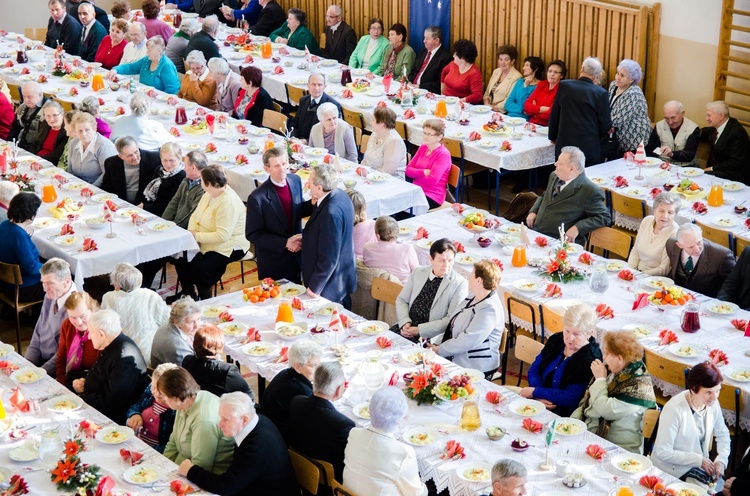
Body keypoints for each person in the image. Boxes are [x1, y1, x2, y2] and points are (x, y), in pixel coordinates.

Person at [179, 391, 298, 495]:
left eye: (226, 419)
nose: (220, 424)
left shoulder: (255, 448)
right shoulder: (257, 421)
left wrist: (191, 471)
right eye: (220, 418)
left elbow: (225, 486)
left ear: (244, 420)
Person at [573, 331, 656, 453]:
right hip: (591, 435)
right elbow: (587, 401)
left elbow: (606, 410)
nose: (604, 357)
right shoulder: (615, 370)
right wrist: (572, 422)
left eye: (607, 353)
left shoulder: (638, 384)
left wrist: (600, 379)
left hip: (619, 449)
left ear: (619, 358)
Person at [176, 165, 250, 300]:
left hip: (230, 245)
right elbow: (195, 215)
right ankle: (189, 295)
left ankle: (205, 301)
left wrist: (196, 236)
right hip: (205, 239)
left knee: (200, 269)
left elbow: (222, 236)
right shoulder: (210, 194)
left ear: (209, 184)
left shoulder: (228, 203)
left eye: (202, 180)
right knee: (180, 258)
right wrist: (193, 234)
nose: (200, 182)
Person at [652, 362, 731, 485]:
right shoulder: (674, 409)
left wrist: (721, 460)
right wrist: (698, 460)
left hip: (696, 466)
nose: (714, 397)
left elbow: (723, 435)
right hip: (670, 469)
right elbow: (663, 452)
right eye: (708, 392)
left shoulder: (713, 403)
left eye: (717, 391)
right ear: (693, 389)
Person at [343, 386, 428, 496]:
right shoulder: (403, 453)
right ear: (401, 417)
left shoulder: (353, 433)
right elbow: (417, 494)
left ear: (370, 410)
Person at [521, 303, 602, 416]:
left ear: (590, 333)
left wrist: (535, 391)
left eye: (576, 334)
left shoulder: (589, 359)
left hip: (564, 414)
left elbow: (571, 397)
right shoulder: (556, 340)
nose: (569, 338)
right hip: (537, 400)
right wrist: (538, 396)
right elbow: (535, 369)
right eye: (567, 331)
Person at [428, 260, 503, 378]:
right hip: (458, 354)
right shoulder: (474, 295)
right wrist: (437, 343)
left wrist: (439, 349)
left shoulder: (489, 308)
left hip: (475, 365)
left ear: (479, 281)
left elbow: (469, 339)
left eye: (472, 275)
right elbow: (454, 324)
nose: (469, 278)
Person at [74, 309, 150, 424]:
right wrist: (85, 381)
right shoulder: (112, 343)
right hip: (95, 402)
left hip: (113, 418)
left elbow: (112, 403)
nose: (88, 337)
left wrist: (82, 396)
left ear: (101, 334)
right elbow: (102, 374)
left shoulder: (123, 357)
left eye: (90, 332)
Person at [526, 146, 611, 245]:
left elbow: (604, 217)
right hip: (536, 233)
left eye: (560, 163)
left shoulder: (590, 190)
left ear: (571, 169)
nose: (555, 164)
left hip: (559, 241)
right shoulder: (554, 176)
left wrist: (577, 228)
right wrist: (533, 211)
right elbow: (545, 195)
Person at [159, 367, 235, 474]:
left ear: (176, 398)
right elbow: (173, 443)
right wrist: (162, 467)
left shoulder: (203, 420)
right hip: (183, 466)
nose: (162, 400)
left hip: (205, 476)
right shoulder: (185, 401)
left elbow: (201, 465)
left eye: (164, 396)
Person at [245, 147, 304, 283]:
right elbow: (253, 234)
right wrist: (285, 243)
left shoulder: (295, 180)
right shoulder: (257, 198)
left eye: (284, 164)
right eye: (277, 166)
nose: (282, 169)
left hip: (297, 256)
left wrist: (316, 203)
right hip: (275, 261)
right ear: (267, 169)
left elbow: (298, 209)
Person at [301, 163, 357, 306]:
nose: (307, 184)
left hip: (330, 285)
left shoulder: (329, 213)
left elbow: (329, 257)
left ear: (319, 188)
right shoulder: (341, 195)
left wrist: (314, 288)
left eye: (310, 181)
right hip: (343, 276)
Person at [289, 361, 354, 481]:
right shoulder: (343, 424)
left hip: (297, 469)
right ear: (339, 390)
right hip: (326, 481)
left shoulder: (296, 402)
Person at [396, 239, 468, 342]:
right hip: (406, 328)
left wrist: (419, 330)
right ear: (431, 259)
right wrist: (404, 322)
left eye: (450, 260)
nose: (446, 265)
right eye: (441, 260)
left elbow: (451, 319)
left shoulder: (460, 283)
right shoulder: (418, 272)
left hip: (430, 336)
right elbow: (402, 300)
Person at [548, 56, 612, 166]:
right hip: (589, 148)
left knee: (563, 179)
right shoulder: (601, 93)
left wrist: (552, 136)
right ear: (598, 75)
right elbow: (605, 126)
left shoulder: (564, 85)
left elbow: (555, 114)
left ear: (581, 69)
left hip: (564, 145)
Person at [101, 263, 169, 360]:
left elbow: (105, 327)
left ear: (117, 285)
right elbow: (166, 321)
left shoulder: (108, 297)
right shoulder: (150, 295)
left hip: (121, 355)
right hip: (149, 353)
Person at [259, 339, 321, 443]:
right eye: (314, 365)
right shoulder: (301, 391)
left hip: (267, 426)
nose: (318, 369)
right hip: (280, 438)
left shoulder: (285, 373)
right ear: (297, 366)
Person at [23, 259, 76, 373]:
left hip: (57, 368)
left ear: (66, 281)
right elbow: (37, 337)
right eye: (43, 282)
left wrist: (39, 372)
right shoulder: (50, 295)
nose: (44, 288)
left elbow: (64, 354)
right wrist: (27, 364)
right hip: (41, 361)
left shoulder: (76, 308)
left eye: (50, 283)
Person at [182, 324, 254, 399]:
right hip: (223, 408)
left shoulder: (187, 361)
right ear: (220, 346)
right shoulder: (227, 371)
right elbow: (248, 396)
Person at [666, 223, 735, 298]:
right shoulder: (670, 245)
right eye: (691, 247)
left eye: (699, 243)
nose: (697, 249)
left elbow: (733, 283)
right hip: (675, 297)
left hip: (705, 300)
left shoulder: (722, 255)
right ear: (680, 245)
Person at [0, 193, 44, 303]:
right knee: (68, 278)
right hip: (24, 289)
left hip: (5, 283)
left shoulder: (4, 224)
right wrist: (52, 266)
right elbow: (32, 268)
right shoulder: (19, 236)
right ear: (31, 215)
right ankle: (41, 317)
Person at [126, 362, 178, 453]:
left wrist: (148, 449)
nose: (156, 393)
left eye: (161, 390)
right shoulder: (150, 392)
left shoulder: (175, 411)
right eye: (154, 387)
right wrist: (134, 414)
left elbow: (172, 447)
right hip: (132, 442)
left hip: (153, 453)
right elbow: (135, 407)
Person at [626, 192, 680, 276]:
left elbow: (663, 269)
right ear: (654, 211)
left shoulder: (674, 233)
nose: (665, 216)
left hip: (654, 279)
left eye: (670, 213)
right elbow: (635, 250)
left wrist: (638, 275)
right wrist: (629, 270)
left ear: (675, 215)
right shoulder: (646, 221)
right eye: (661, 211)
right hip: (636, 272)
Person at [55, 291, 100, 388]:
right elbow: (61, 360)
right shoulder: (67, 325)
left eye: (82, 316)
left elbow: (103, 372)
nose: (78, 322)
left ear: (92, 310)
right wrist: (63, 386)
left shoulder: (100, 330)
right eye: (73, 317)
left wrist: (85, 385)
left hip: (93, 385)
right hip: (69, 380)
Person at [700, 101, 750, 185]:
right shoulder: (715, 127)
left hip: (734, 173)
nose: (706, 119)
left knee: (702, 177)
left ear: (721, 116)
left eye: (709, 115)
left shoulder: (737, 132)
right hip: (720, 169)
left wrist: (712, 168)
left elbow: (735, 162)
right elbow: (702, 133)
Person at [108, 36, 180, 94]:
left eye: (149, 50)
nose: (147, 52)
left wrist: (158, 97)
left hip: (161, 103)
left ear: (159, 51)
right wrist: (116, 70)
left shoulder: (166, 65)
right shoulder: (147, 60)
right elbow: (131, 67)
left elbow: (172, 90)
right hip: (144, 98)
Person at [405, 118, 451, 209]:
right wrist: (424, 172)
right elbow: (407, 170)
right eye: (424, 133)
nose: (425, 137)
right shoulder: (423, 147)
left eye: (429, 134)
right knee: (393, 203)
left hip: (433, 195)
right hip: (416, 190)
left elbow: (432, 181)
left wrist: (416, 174)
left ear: (439, 137)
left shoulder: (443, 154)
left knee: (402, 210)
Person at [101, 136, 161, 204]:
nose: (135, 157)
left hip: (144, 205)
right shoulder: (111, 163)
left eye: (136, 152)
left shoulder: (154, 158)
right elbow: (106, 187)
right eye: (130, 155)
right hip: (119, 203)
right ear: (121, 156)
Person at [608, 59, 651, 154]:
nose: (617, 77)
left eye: (622, 75)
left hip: (634, 139)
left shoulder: (633, 93)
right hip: (619, 138)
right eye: (617, 73)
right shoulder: (613, 86)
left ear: (631, 79)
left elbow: (618, 120)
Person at [362, 216, 419, 284]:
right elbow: (417, 274)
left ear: (377, 236)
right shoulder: (407, 249)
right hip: (402, 290)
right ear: (397, 233)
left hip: (376, 289)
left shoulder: (367, 247)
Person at [288, 73, 342, 144]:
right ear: (308, 85)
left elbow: (330, 134)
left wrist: (306, 141)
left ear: (325, 86)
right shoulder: (303, 100)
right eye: (313, 84)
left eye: (320, 85)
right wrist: (293, 137)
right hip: (298, 141)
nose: (316, 88)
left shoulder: (332, 105)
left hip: (316, 145)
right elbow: (295, 122)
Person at [67, 112, 117, 186]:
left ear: (94, 129)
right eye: (80, 131)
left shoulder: (103, 146)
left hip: (99, 189)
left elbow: (107, 173)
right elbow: (70, 170)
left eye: (87, 130)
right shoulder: (73, 143)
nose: (83, 134)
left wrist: (90, 188)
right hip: (77, 186)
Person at [151, 297, 201, 368]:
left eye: (198, 319)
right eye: (191, 322)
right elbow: (192, 371)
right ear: (178, 322)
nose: (197, 326)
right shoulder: (178, 347)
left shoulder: (171, 325)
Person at [645, 100, 700, 165]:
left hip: (685, 167)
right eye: (666, 118)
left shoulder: (693, 129)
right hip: (662, 165)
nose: (670, 122)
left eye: (673, 117)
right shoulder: (659, 126)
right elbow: (651, 150)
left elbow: (689, 155)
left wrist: (672, 154)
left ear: (682, 114)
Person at [139, 142, 186, 216]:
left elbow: (170, 205)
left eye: (172, 160)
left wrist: (144, 207)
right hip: (148, 211)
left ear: (179, 158)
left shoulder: (182, 177)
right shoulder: (159, 169)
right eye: (165, 160)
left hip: (164, 215)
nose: (168, 164)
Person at [361, 107, 407, 178]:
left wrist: (368, 174)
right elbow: (366, 159)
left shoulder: (394, 141)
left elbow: (388, 171)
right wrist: (361, 169)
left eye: (373, 120)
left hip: (389, 180)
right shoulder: (375, 133)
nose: (371, 123)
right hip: (370, 175)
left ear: (382, 123)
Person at [409, 26, 452, 95]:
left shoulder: (445, 58)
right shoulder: (423, 52)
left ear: (437, 40)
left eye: (427, 39)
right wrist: (409, 81)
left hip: (427, 93)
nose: (424, 41)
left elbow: (439, 83)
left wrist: (420, 86)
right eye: (424, 38)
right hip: (412, 89)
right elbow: (414, 70)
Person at [440, 39, 483, 104]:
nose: (453, 56)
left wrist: (460, 101)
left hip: (461, 105)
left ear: (462, 58)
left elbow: (477, 96)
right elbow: (444, 72)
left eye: (455, 54)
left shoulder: (474, 73)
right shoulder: (453, 64)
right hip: (446, 101)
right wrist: (442, 92)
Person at [8, 81, 48, 150]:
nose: (26, 100)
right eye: (24, 96)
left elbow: (41, 140)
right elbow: (14, 127)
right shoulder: (22, 107)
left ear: (40, 95)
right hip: (18, 146)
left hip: (34, 150)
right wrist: (9, 145)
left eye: (30, 97)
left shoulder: (48, 111)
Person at [524, 59, 565, 126]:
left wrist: (534, 113)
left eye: (556, 72)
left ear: (561, 75)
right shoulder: (541, 85)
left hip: (547, 127)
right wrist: (544, 109)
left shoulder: (562, 90)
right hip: (531, 124)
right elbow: (526, 106)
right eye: (550, 71)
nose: (552, 74)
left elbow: (553, 114)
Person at [483, 45, 522, 113]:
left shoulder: (517, 77)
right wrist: (486, 103)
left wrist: (493, 108)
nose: (502, 63)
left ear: (512, 61)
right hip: (488, 108)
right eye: (500, 59)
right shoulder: (496, 71)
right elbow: (487, 93)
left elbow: (509, 100)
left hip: (502, 112)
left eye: (506, 60)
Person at [28, 100, 68, 165]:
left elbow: (56, 156)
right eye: (48, 116)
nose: (51, 119)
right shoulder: (44, 124)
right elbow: (35, 143)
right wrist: (30, 157)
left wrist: (37, 160)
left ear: (62, 113)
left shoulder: (66, 131)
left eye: (55, 115)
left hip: (49, 163)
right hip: (36, 159)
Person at [347, 189, 375, 260]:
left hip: (349, 263)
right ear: (364, 207)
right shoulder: (373, 224)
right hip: (370, 262)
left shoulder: (340, 227)